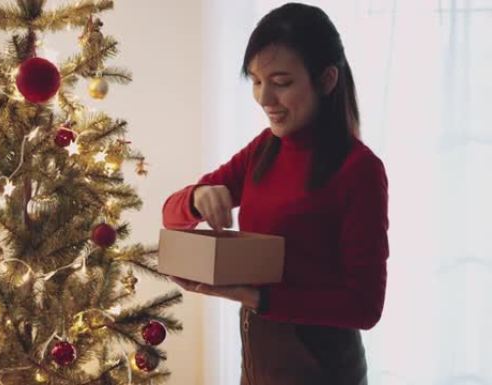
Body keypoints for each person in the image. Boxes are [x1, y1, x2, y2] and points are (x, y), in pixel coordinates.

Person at [162, 3, 389, 385]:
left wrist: (258, 298)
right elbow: (172, 215)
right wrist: (197, 197)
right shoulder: (265, 148)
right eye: (254, 80)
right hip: (258, 366)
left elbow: (365, 307)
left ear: (327, 79)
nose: (264, 98)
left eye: (281, 82)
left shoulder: (360, 171)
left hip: (323, 372)